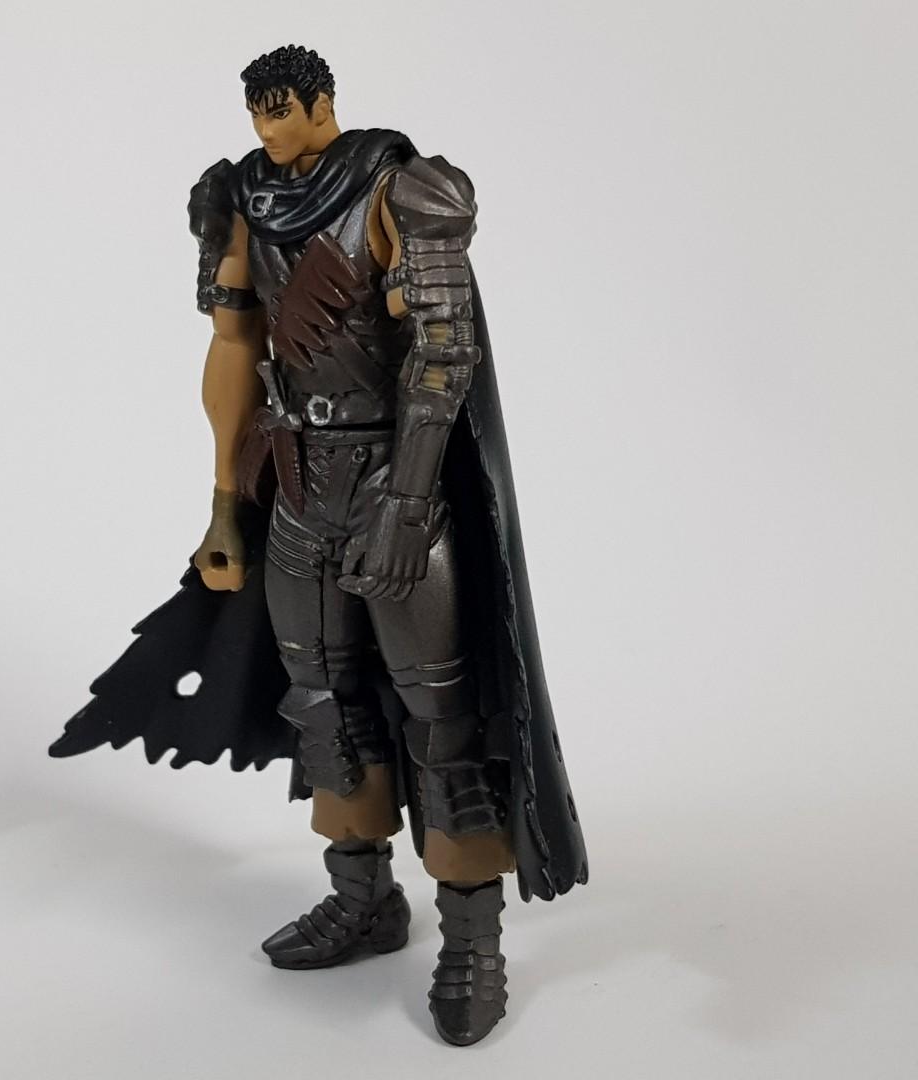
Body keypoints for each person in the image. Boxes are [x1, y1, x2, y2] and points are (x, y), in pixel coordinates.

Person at [51, 44, 587, 1047]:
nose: (266, 128)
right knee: (323, 705)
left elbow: (442, 354)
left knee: (442, 723)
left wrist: (410, 503)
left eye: (280, 109)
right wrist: (225, 504)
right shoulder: (241, 196)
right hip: (300, 482)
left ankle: (472, 940)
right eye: (254, 111)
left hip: (395, 479)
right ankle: (364, 899)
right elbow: (233, 347)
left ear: (320, 102)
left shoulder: (401, 186)